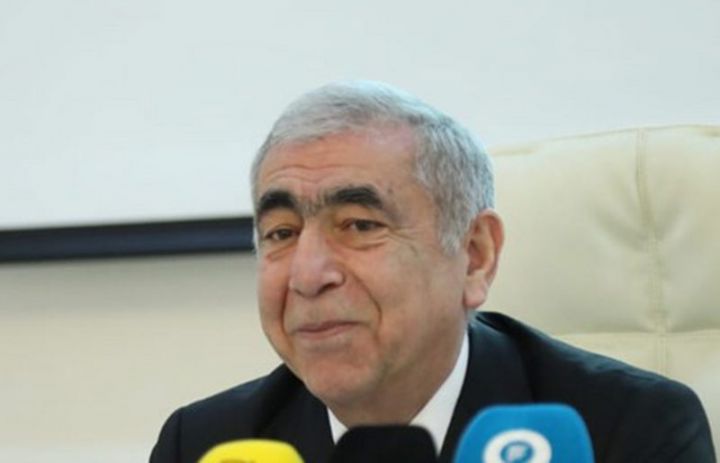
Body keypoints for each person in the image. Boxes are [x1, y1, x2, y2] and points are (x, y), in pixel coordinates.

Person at [150, 81, 715, 463]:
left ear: (475, 254)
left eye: (359, 225)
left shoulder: (626, 430)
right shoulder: (204, 444)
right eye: (281, 233)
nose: (308, 274)